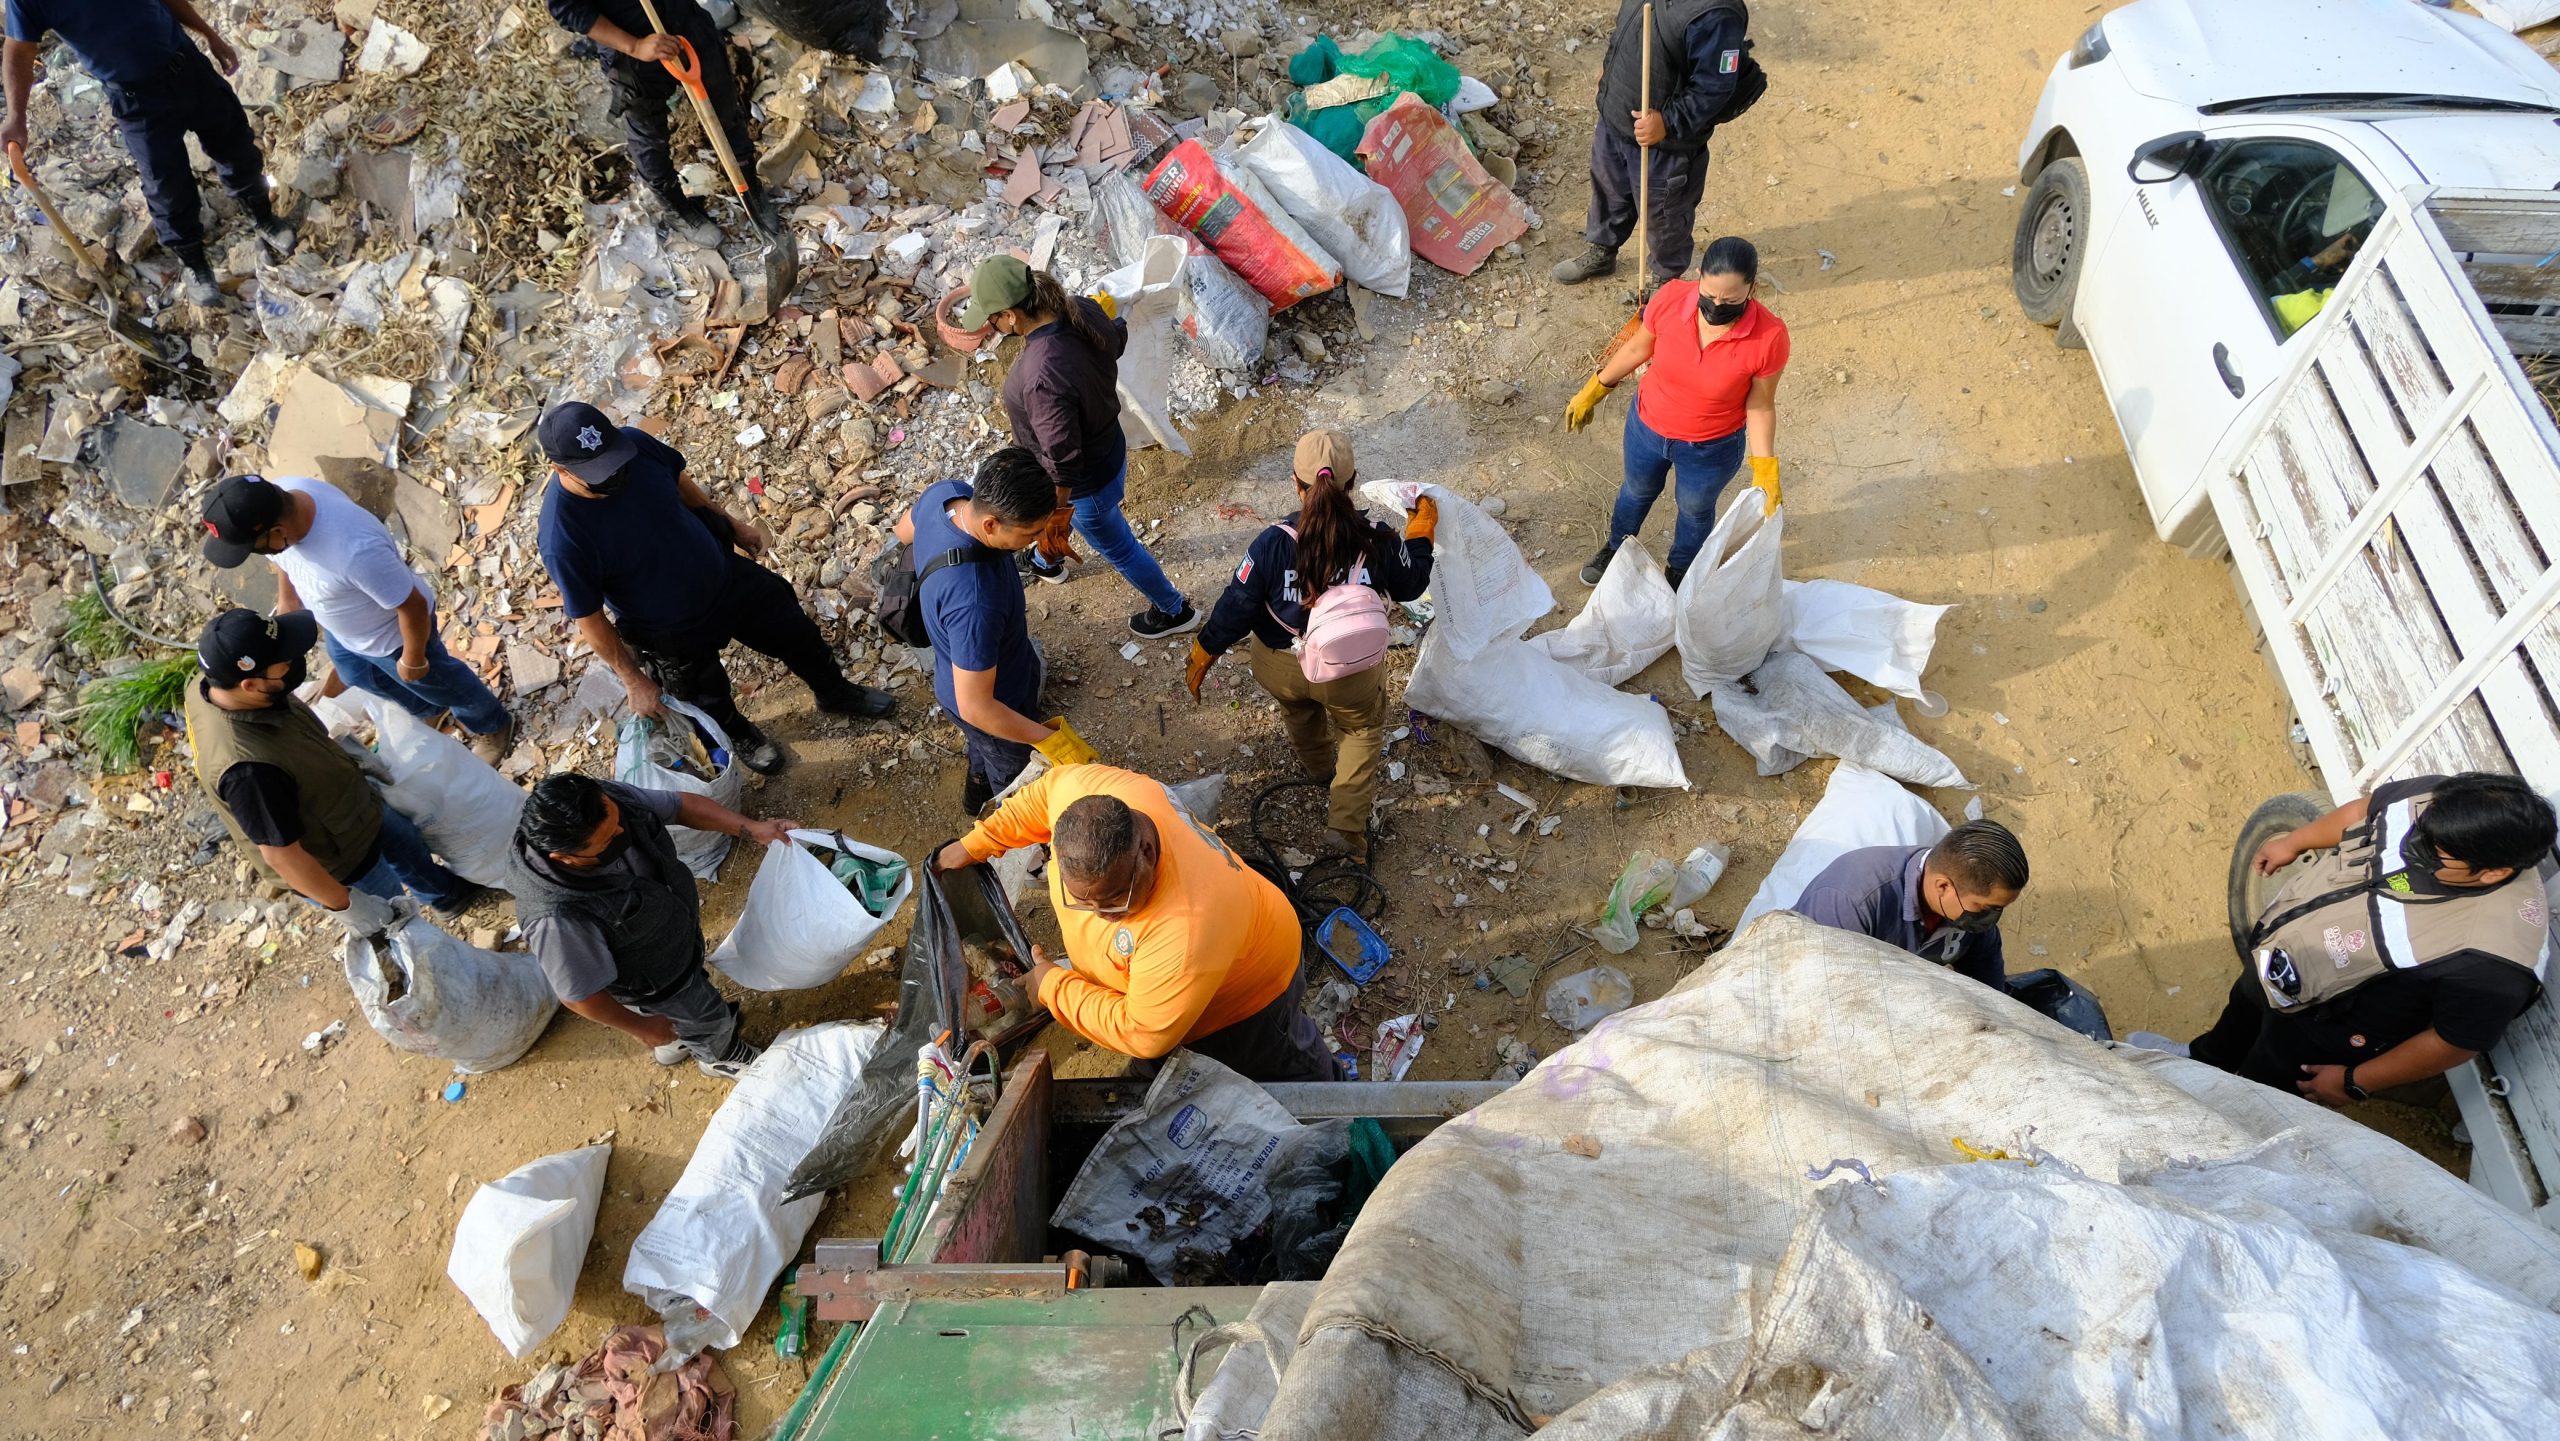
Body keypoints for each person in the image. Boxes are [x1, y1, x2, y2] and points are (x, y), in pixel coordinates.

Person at [534, 400, 892, 775]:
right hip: (669, 627)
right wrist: (632, 679)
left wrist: (731, 524)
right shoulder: (563, 536)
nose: (614, 474)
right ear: (560, 469)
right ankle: (742, 735)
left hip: (724, 575)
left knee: (797, 633)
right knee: (706, 696)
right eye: (599, 472)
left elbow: (679, 482)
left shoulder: (635, 445)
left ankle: (835, 692)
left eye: (614, 460)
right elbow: (590, 620)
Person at [932, 764, 1341, 1082]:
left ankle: (1347, 1107)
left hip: (1248, 998)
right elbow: (1043, 795)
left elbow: (1144, 1033)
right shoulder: (1090, 794)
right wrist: (976, 844)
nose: (1100, 914)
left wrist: (1053, 987)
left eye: (1114, 900)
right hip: (1181, 979)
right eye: (1083, 901)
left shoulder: (1187, 926)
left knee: (1287, 1063)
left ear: (1145, 850)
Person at [2182, 772, 2555, 1109]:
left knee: (2260, 1093)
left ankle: (2218, 1121)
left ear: (2493, 873)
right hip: (2282, 952)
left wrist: (2354, 1082)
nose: (2412, 845)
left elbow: (2454, 1042)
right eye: (2421, 830)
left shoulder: (2494, 960)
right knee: (2239, 1015)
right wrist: (2296, 840)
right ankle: (2195, 1068)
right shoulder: (2441, 804)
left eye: (2432, 852)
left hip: (2324, 1029)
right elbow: (2364, 810)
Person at [1187, 430, 1436, 862]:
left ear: (1296, 484)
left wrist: (1205, 650)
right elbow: (1412, 584)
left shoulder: (1272, 542)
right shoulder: (1377, 539)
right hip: (1349, 671)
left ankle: (1320, 769)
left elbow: (1237, 605)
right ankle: (1346, 828)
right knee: (1360, 731)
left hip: (1280, 665)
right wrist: (1420, 532)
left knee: (1298, 710)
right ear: (1352, 481)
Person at [183, 609, 480, 933]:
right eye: (285, 662)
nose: (295, 662)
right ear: (251, 684)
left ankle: (446, 895)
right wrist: (348, 905)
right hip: (343, 861)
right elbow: (283, 857)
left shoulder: (214, 685)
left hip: (354, 802)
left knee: (408, 846)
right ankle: (425, 952)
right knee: (396, 922)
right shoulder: (248, 772)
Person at [956, 255, 1201, 640]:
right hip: (1109, 449)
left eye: (991, 320)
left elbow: (1062, 460)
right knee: (1063, 526)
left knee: (1119, 548)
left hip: (1083, 487)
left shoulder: (1041, 376)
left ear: (1010, 316)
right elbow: (1116, 339)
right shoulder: (1080, 309)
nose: (991, 327)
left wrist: (1056, 512)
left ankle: (1174, 610)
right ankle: (1045, 562)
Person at [199, 474, 517, 764]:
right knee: (357, 674)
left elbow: (413, 606)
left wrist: (414, 656)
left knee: (444, 684)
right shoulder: (283, 494)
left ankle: (493, 725)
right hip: (347, 634)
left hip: (395, 638)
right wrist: (288, 599)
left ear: (278, 531)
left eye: (252, 548)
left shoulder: (355, 551)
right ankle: (430, 710)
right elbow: (282, 557)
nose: (259, 553)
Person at [2, 0, 295, 304]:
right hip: (135, 100)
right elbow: (19, 51)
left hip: (186, 67)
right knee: (167, 187)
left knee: (234, 142)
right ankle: (194, 264)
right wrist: (16, 118)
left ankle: (263, 218)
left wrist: (210, 35)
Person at [507, 773, 794, 1079]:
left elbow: (679, 806)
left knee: (688, 1004)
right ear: (565, 858)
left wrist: (750, 828)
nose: (622, 830)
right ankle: (719, 1056)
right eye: (608, 840)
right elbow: (580, 995)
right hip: (658, 983)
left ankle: (679, 1038)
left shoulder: (599, 802)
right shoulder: (557, 918)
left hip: (672, 936)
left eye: (618, 819)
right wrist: (641, 1028)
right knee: (705, 1015)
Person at [1565, 235, 1788, 588]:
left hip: (1710, 447)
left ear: (1753, 289)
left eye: (1730, 300)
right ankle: (1616, 549)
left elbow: (1760, 404)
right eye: (1709, 295)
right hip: (1647, 428)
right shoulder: (1670, 298)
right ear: (1698, 277)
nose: (1716, 306)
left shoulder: (1769, 337)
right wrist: (1596, 388)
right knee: (1635, 491)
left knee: (1695, 509)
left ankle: (1681, 569)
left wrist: (1765, 468)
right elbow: (1639, 347)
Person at [894, 446, 1099, 813]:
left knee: (984, 746)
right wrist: (1049, 740)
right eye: (1030, 533)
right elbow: (977, 707)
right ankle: (1002, 816)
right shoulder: (976, 600)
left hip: (965, 673)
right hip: (994, 701)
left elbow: (903, 530)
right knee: (1013, 773)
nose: (1036, 540)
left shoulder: (947, 496)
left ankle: (977, 788)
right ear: (990, 524)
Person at [1551, 0, 1752, 288]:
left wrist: (1668, 122)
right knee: (1609, 192)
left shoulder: (1716, 14)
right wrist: (1608, 72)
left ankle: (1666, 279)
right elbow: (1624, 31)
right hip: (1615, 120)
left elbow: (1715, 87)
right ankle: (1602, 251)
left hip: (1666, 147)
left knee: (1665, 216)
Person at [543, 0, 772, 246]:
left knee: (723, 106)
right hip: (635, 48)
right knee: (649, 133)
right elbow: (567, 9)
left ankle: (748, 185)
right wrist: (635, 46)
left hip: (686, 22)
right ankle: (676, 208)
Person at [1791, 821, 2029, 990]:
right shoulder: (1852, 901)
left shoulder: (1969, 917)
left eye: (1999, 909)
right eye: (1985, 908)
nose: (1991, 918)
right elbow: (1818, 988)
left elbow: (1988, 983)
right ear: (1943, 886)